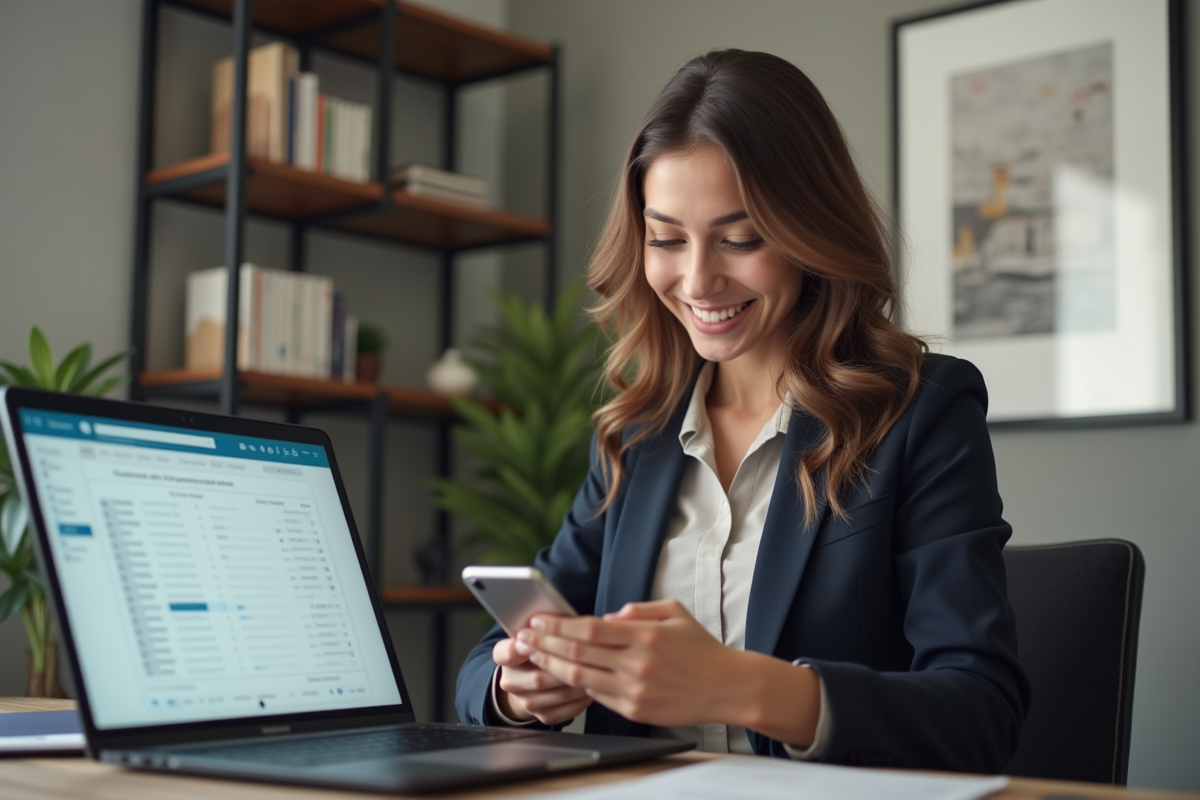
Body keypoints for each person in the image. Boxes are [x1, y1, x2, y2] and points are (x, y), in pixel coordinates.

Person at [456, 49, 1029, 772]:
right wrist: (517, 687)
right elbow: (486, 664)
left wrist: (743, 686)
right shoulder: (638, 436)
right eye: (667, 239)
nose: (698, 280)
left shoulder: (921, 413)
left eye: (740, 239)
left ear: (810, 230)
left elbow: (981, 712)